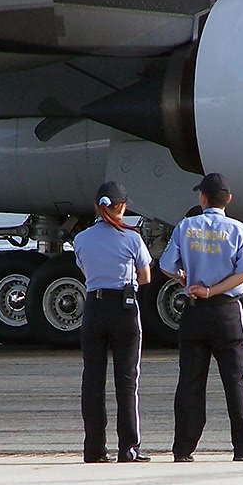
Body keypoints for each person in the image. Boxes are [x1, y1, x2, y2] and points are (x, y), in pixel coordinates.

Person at [159, 173, 243, 462]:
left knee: (190, 381)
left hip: (194, 310)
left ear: (202, 198)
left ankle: (183, 447)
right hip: (226, 311)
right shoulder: (239, 230)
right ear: (228, 199)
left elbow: (166, 265)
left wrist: (186, 279)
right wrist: (212, 291)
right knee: (234, 382)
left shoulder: (186, 227)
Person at [72, 181, 153, 463]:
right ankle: (128, 447)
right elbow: (146, 277)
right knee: (127, 381)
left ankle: (94, 448)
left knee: (92, 380)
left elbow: (85, 271)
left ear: (97, 207)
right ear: (123, 207)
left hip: (94, 306)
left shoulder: (81, 239)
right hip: (123, 307)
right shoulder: (132, 238)